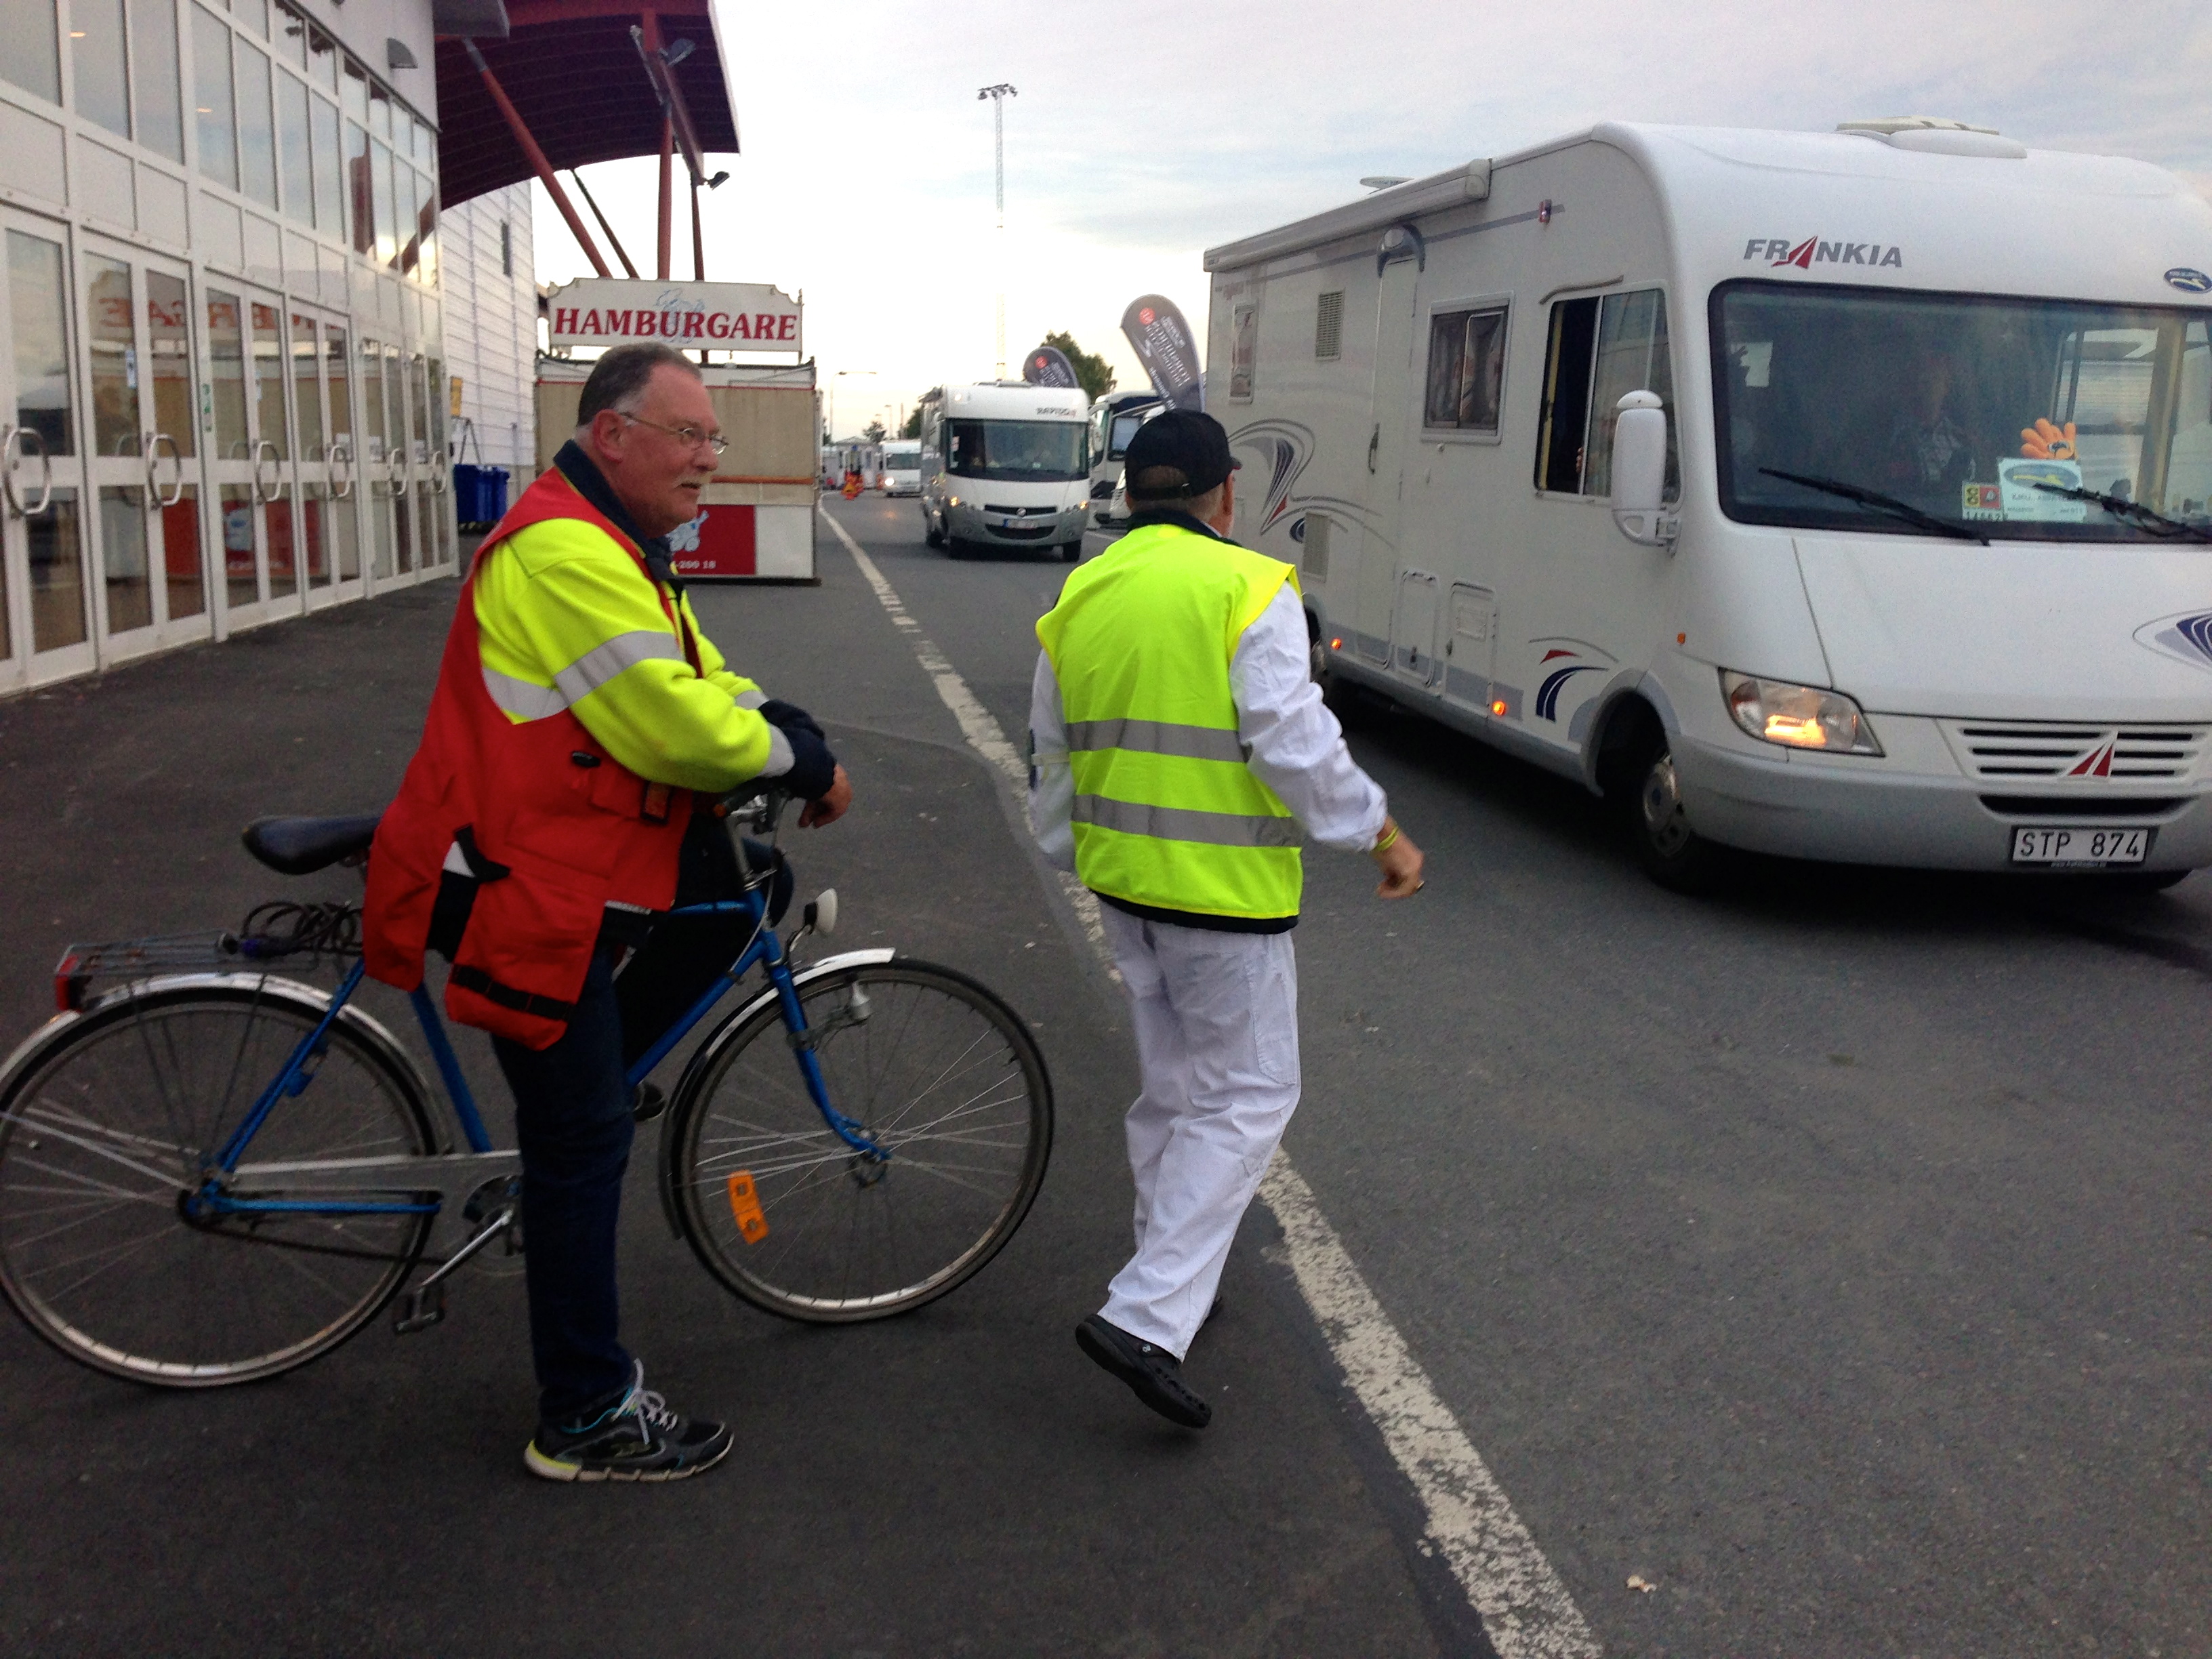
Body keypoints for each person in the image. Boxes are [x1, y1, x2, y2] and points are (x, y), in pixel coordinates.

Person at [363, 342, 853, 1482]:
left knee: (745, 889)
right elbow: (671, 726)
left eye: (714, 437)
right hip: (513, 879)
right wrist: (798, 762)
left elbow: (700, 679)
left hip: (555, 858)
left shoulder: (616, 545)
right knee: (582, 1142)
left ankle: (591, 1084)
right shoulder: (563, 551)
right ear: (613, 435)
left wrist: (786, 727)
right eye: (690, 435)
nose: (709, 458)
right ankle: (582, 1418)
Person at [1027, 409, 1425, 1429]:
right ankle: (1149, 1313)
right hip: (1224, 897)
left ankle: (1171, 1279)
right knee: (1249, 1094)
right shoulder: (1248, 587)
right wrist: (1379, 832)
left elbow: (1052, 751)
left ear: (1128, 494)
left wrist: (1076, 852)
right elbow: (1291, 742)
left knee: (1175, 1092)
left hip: (1125, 885)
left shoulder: (1082, 592)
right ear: (1226, 496)